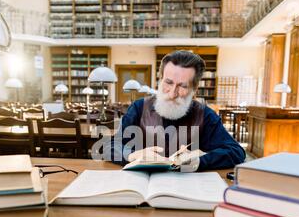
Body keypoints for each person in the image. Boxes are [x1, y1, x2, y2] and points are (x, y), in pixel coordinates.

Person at [103, 50, 245, 171]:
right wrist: (132, 155)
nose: (172, 94)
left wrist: (200, 161)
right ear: (160, 80)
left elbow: (236, 151)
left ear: (194, 90)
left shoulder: (205, 115)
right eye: (168, 83)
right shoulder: (139, 108)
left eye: (182, 86)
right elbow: (109, 146)